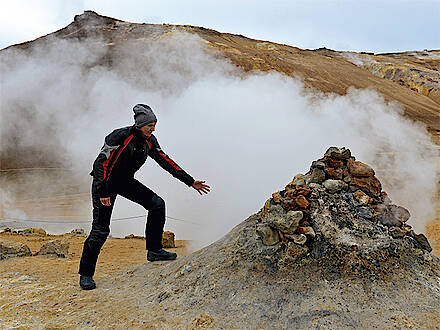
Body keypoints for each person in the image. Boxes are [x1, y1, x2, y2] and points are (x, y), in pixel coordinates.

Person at [78, 104, 210, 290]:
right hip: (105, 184)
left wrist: (190, 181)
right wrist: (103, 192)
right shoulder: (119, 136)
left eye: (155, 124)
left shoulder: (150, 141)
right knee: (100, 230)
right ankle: (86, 274)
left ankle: (154, 250)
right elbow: (101, 164)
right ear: (140, 124)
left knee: (157, 205)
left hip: (125, 181)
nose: (153, 128)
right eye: (150, 125)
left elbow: (166, 161)